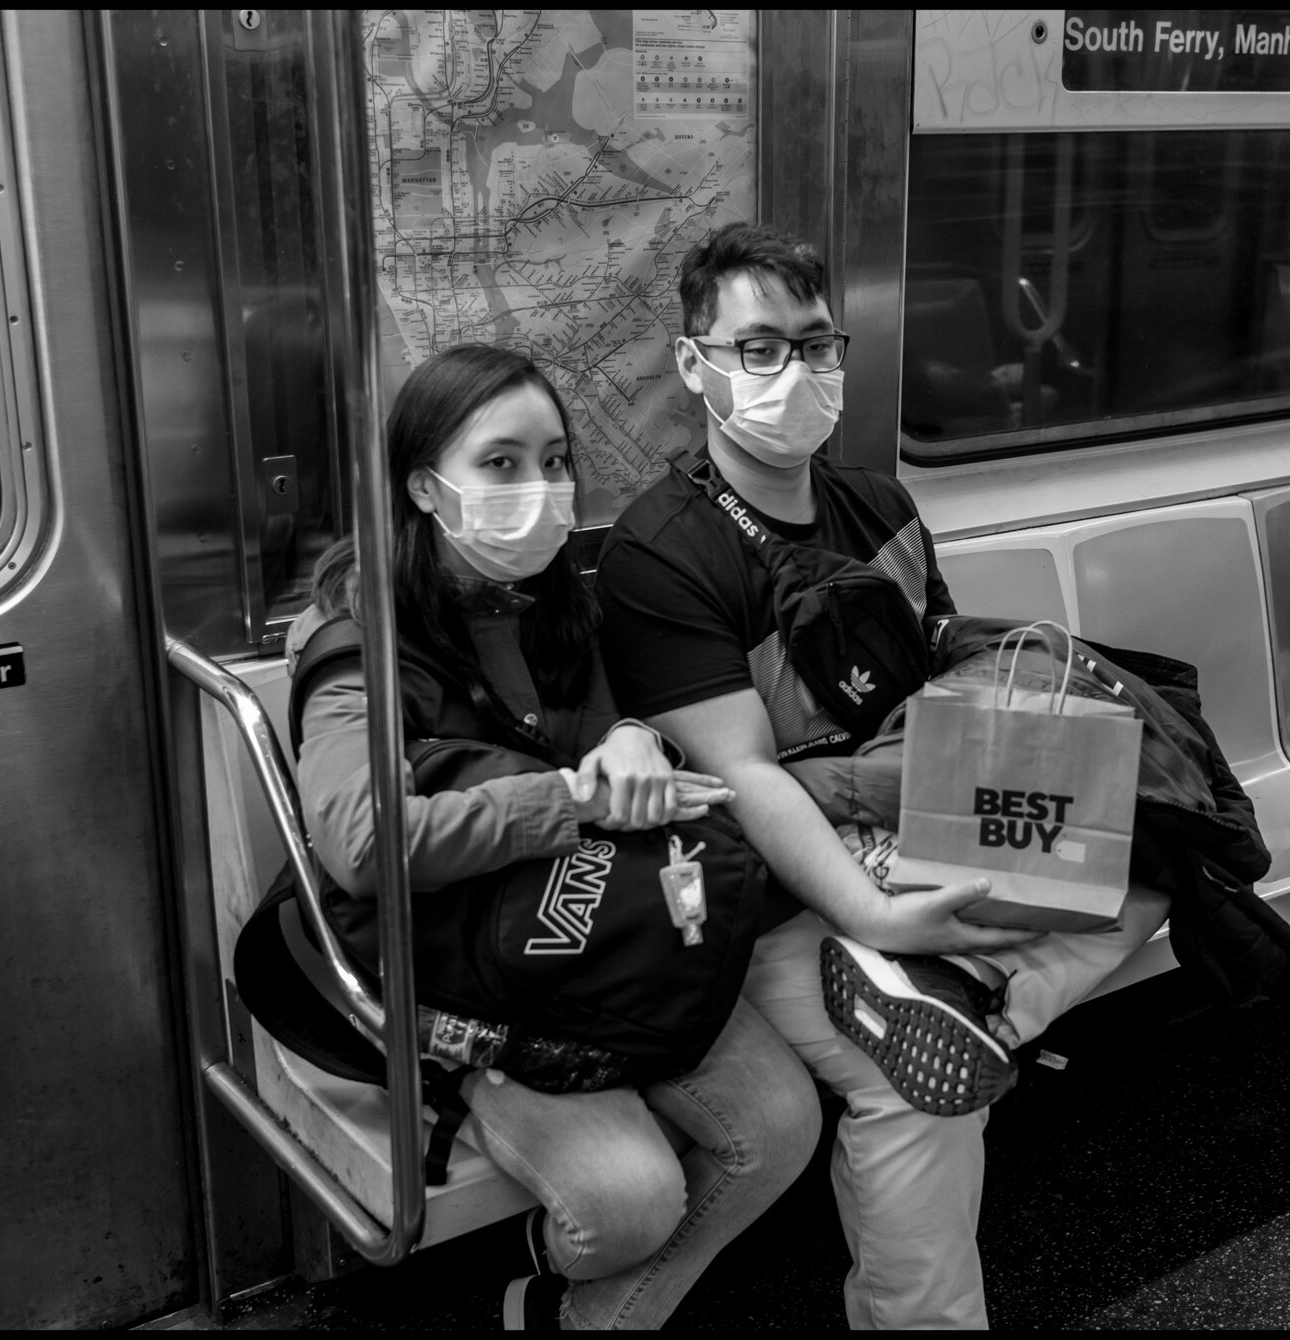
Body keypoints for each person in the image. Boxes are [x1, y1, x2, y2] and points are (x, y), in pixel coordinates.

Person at [596, 223, 1174, 1328]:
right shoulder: (660, 551)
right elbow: (748, 779)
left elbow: (934, 672)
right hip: (781, 886)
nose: (793, 375)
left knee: (1161, 850)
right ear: (693, 364)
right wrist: (875, 912)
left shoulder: (879, 504)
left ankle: (986, 1012)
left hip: (910, 815)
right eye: (756, 348)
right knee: (914, 1094)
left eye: (814, 345)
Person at [287, 344, 821, 1330]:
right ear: (422, 485)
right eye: (500, 463)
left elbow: (607, 714)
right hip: (464, 960)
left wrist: (627, 736)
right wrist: (570, 796)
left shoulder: (552, 599)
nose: (538, 489)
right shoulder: (364, 643)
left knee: (780, 1125)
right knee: (630, 1201)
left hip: (595, 926)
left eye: (554, 460)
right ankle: (552, 1279)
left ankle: (568, 1310)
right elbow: (361, 845)